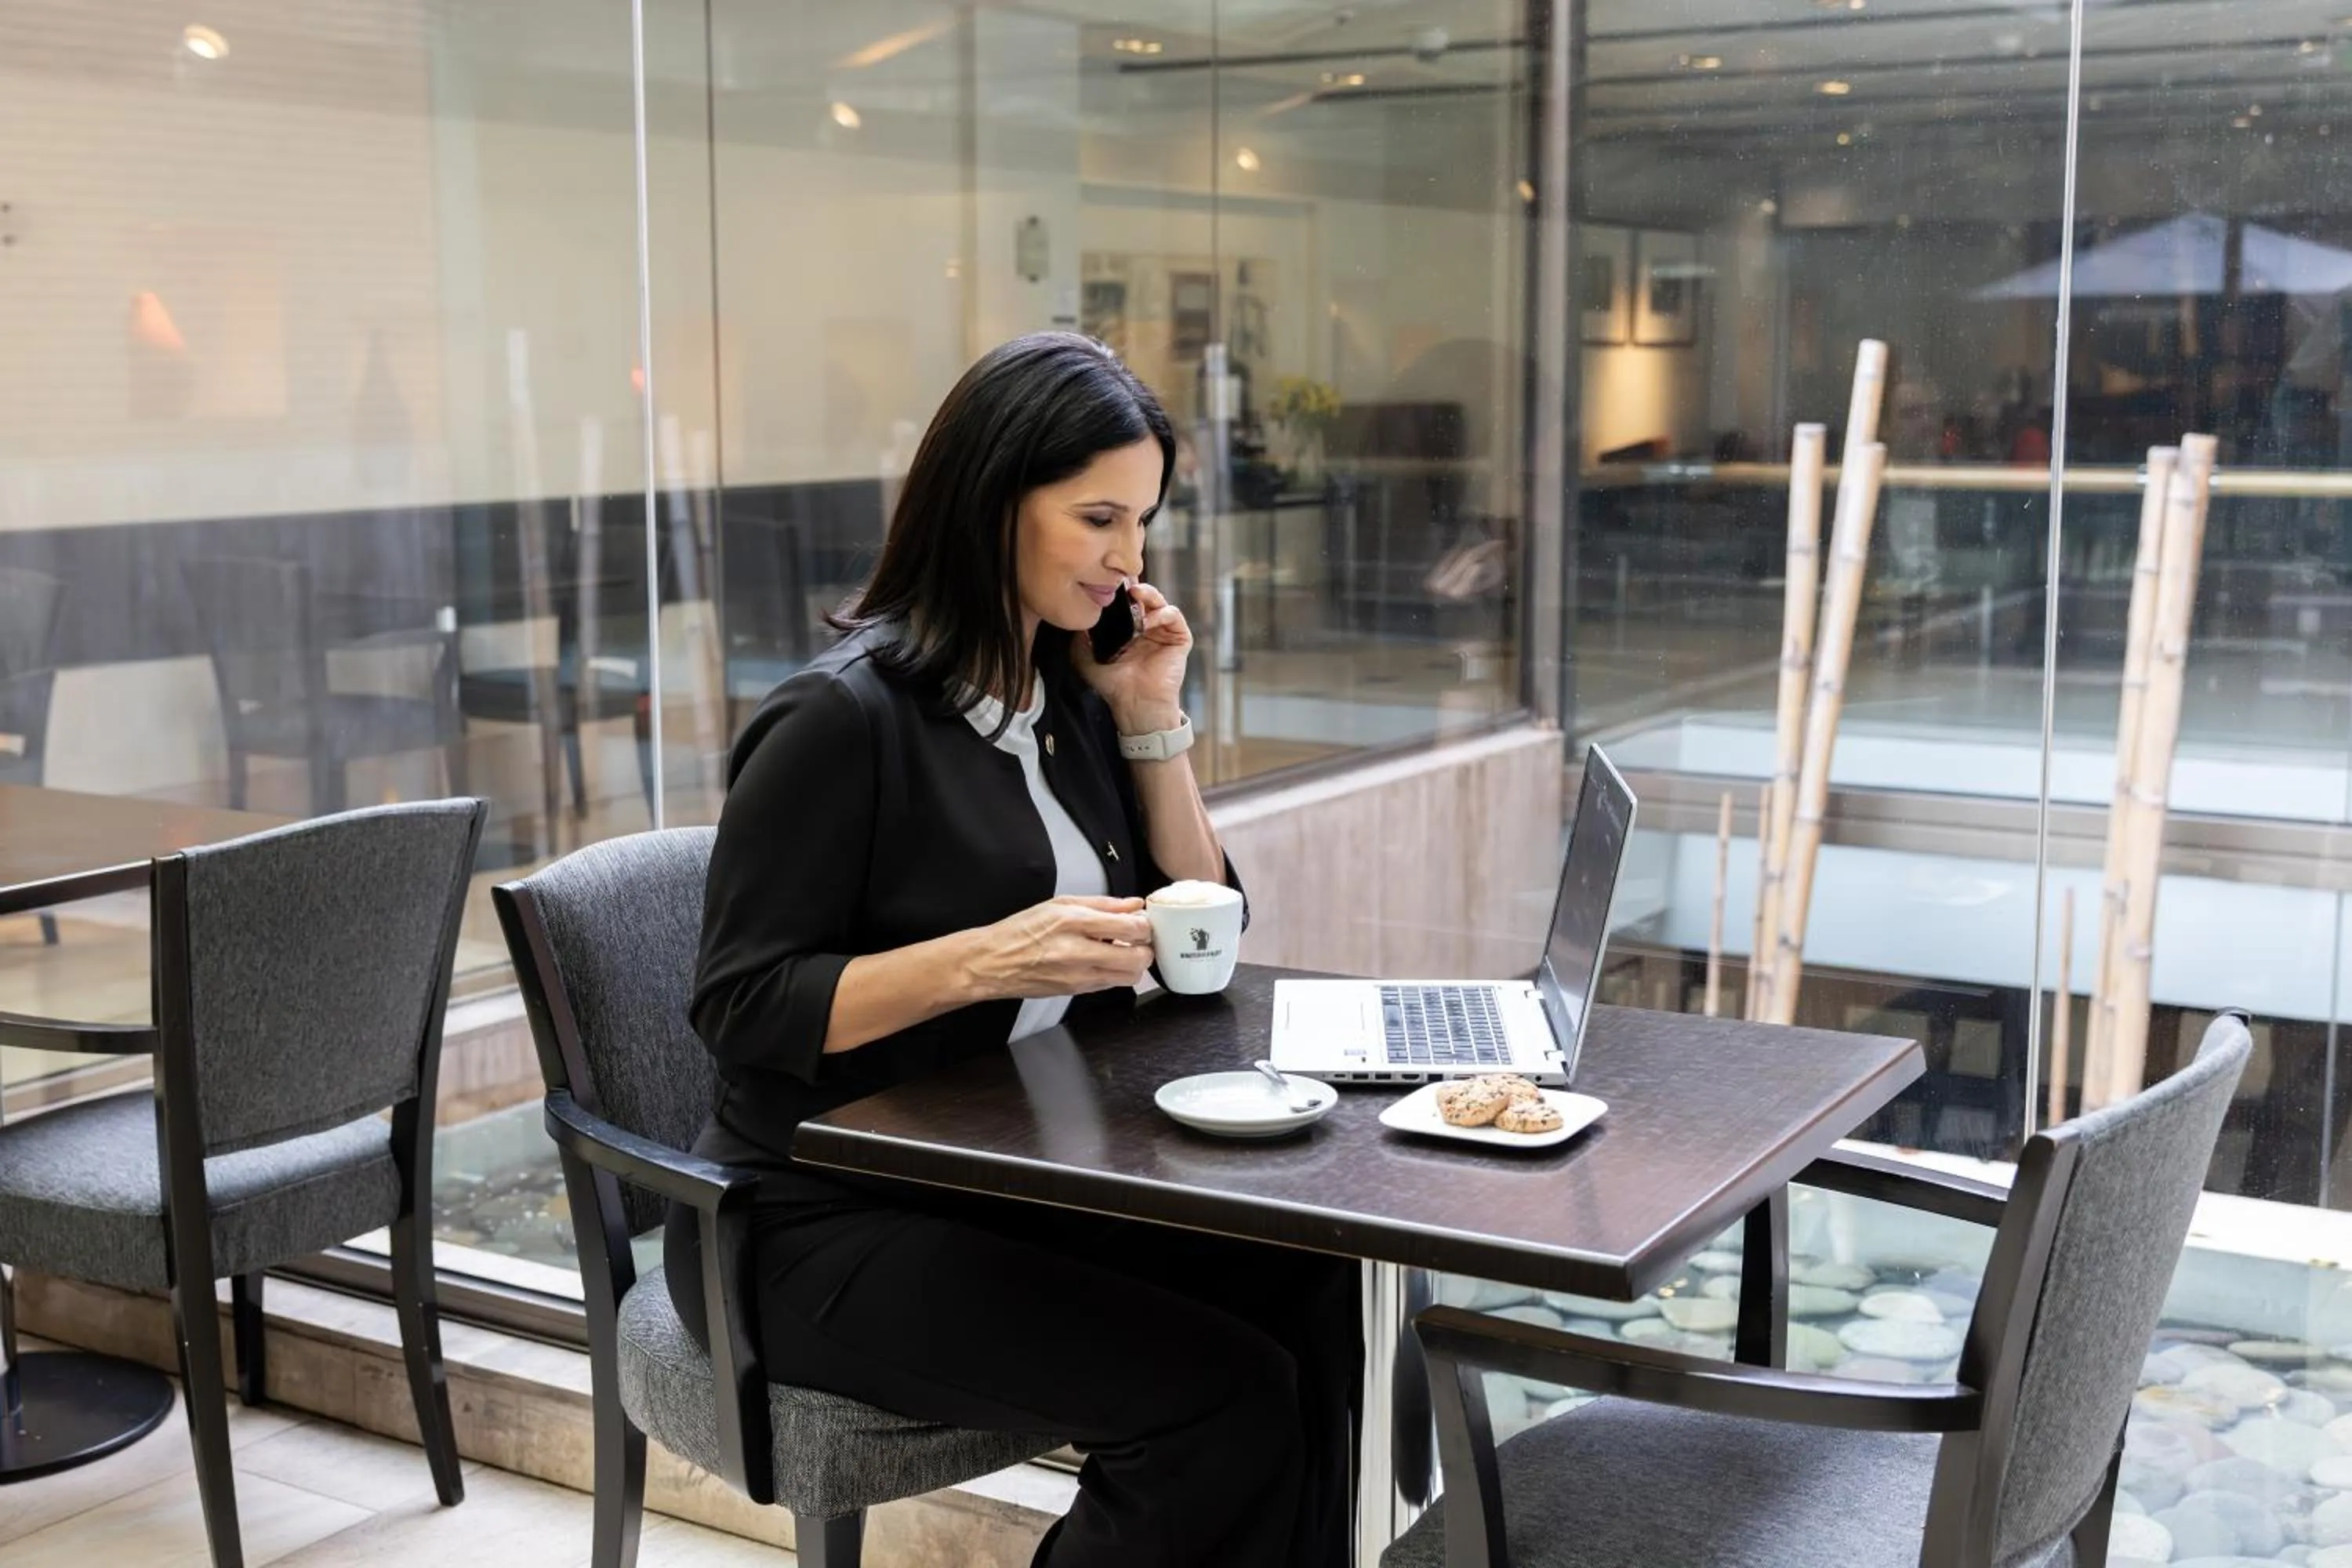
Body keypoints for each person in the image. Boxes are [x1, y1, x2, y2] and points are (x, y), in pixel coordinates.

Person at [664, 332, 1360, 1567]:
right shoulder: (842, 721)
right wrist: (990, 958)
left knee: (1310, 1292)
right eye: (1098, 517)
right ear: (993, 501)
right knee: (1219, 1402)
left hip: (1002, 1176)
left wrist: (1151, 719)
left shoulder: (1069, 695)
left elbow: (1203, 942)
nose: (1128, 560)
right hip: (811, 1219)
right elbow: (742, 1003)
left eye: (1141, 523)